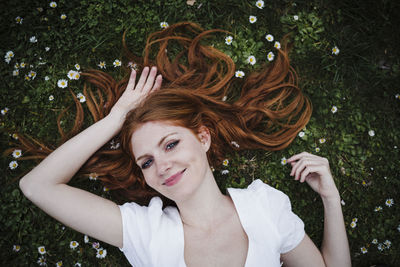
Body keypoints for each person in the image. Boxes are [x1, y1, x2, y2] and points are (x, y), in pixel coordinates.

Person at [17, 22, 351, 266]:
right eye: (146, 161)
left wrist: (330, 198)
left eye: (171, 144)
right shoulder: (144, 231)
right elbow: (37, 185)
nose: (161, 165)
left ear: (203, 138)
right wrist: (116, 119)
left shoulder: (265, 208)